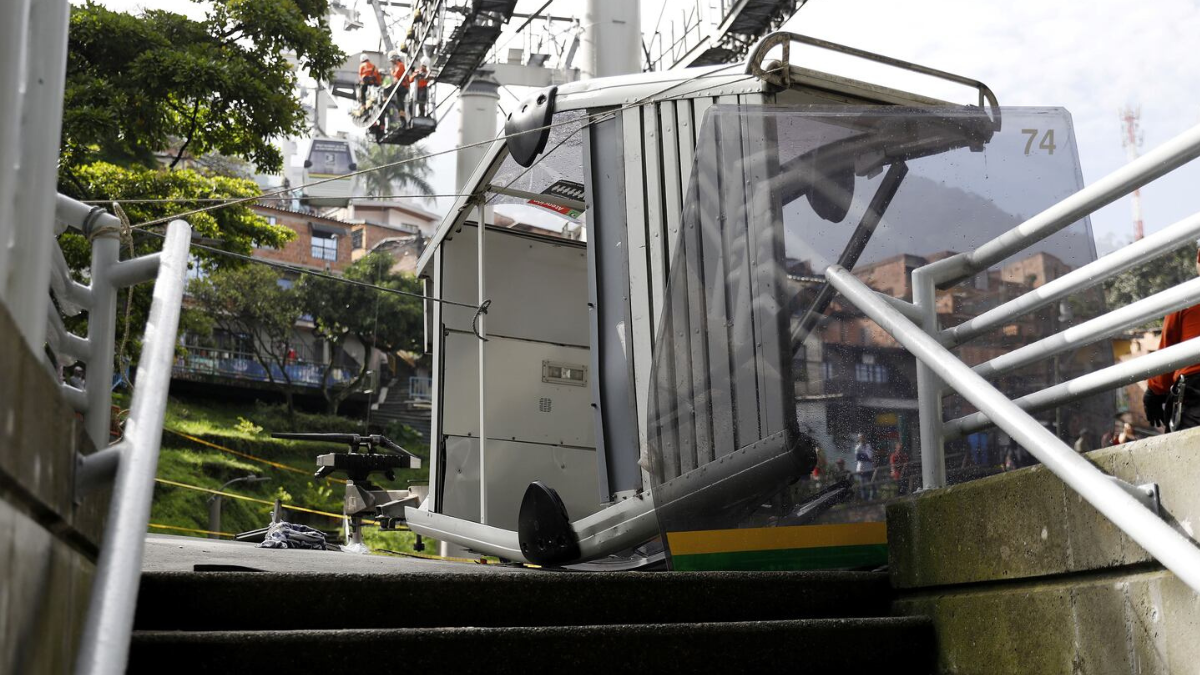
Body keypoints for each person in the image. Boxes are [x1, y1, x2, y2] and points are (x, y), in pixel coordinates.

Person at [1144, 243, 1200, 432]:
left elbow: (1168, 353)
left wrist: (1154, 391)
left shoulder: (1187, 297)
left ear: (1199, 257)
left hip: (1194, 391)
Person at [387, 51, 408, 127]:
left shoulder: (400, 65)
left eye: (392, 61)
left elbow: (397, 74)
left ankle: (402, 119)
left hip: (402, 87)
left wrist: (392, 72)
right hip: (401, 87)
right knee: (399, 104)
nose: (392, 62)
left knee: (387, 90)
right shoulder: (397, 66)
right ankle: (401, 119)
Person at [853, 433, 875, 501]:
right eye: (861, 437)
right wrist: (867, 458)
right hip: (861, 468)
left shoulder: (868, 446)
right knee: (863, 485)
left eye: (863, 437)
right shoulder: (858, 447)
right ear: (859, 439)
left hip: (869, 468)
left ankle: (872, 498)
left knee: (872, 483)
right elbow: (858, 458)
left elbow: (871, 456)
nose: (862, 439)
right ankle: (864, 499)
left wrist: (866, 456)